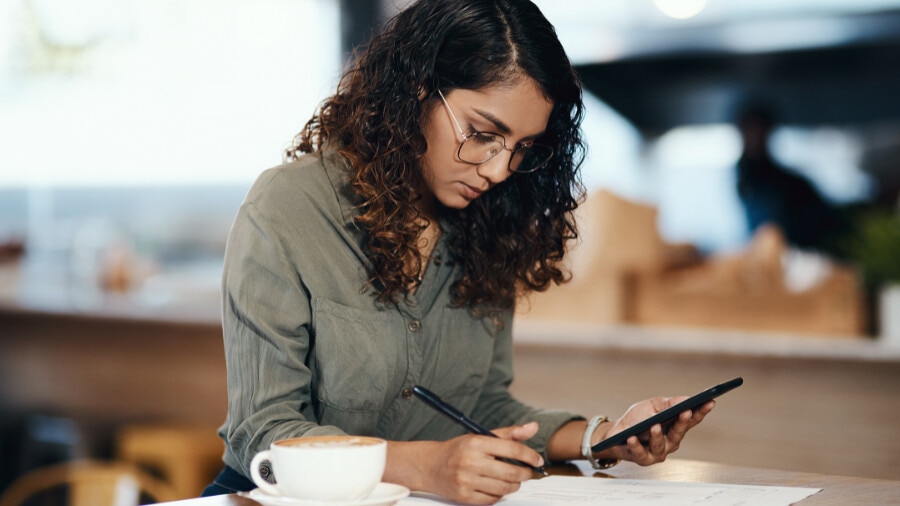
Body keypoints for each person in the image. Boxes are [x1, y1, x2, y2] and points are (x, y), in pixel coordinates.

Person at [204, 1, 714, 504]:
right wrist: (426, 467)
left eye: (521, 148)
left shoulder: (491, 226)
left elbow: (478, 405)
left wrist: (599, 437)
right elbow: (263, 432)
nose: (498, 171)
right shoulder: (290, 209)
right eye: (483, 134)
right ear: (416, 92)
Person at [735, 101, 850, 257]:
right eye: (749, 129)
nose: (754, 137)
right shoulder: (746, 177)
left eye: (759, 130)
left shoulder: (788, 184)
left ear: (769, 132)